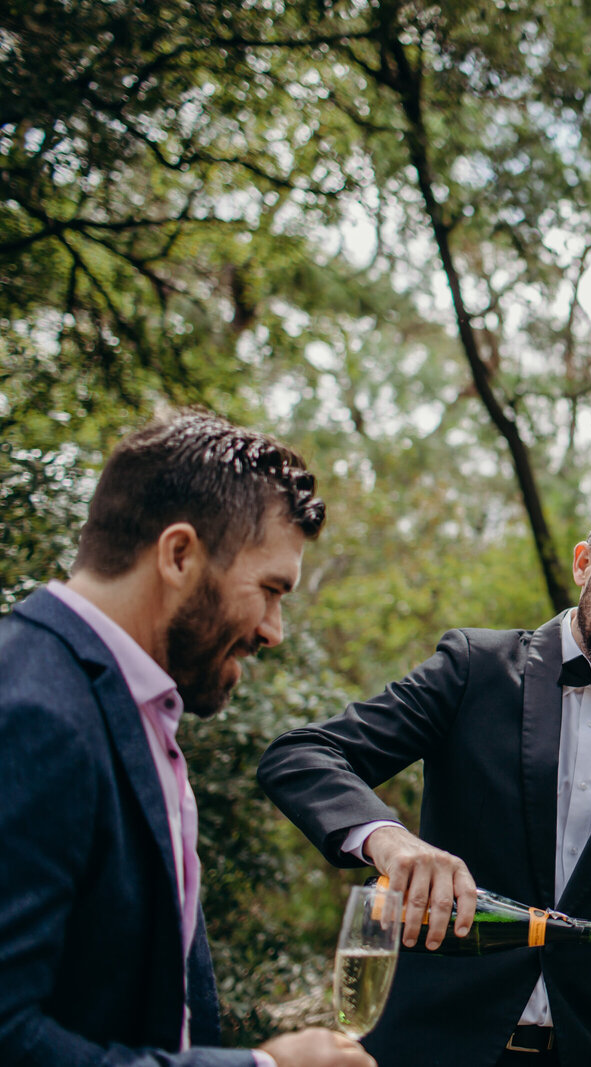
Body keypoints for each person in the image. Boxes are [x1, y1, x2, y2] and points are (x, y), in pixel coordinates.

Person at [258, 481, 591, 1067]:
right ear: (584, 564)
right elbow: (302, 754)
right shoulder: (472, 670)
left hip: (587, 1051)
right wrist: (388, 840)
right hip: (433, 1044)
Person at [0, 412, 373, 1067]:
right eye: (270, 589)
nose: (273, 630)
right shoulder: (33, 710)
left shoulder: (133, 700)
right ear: (179, 555)